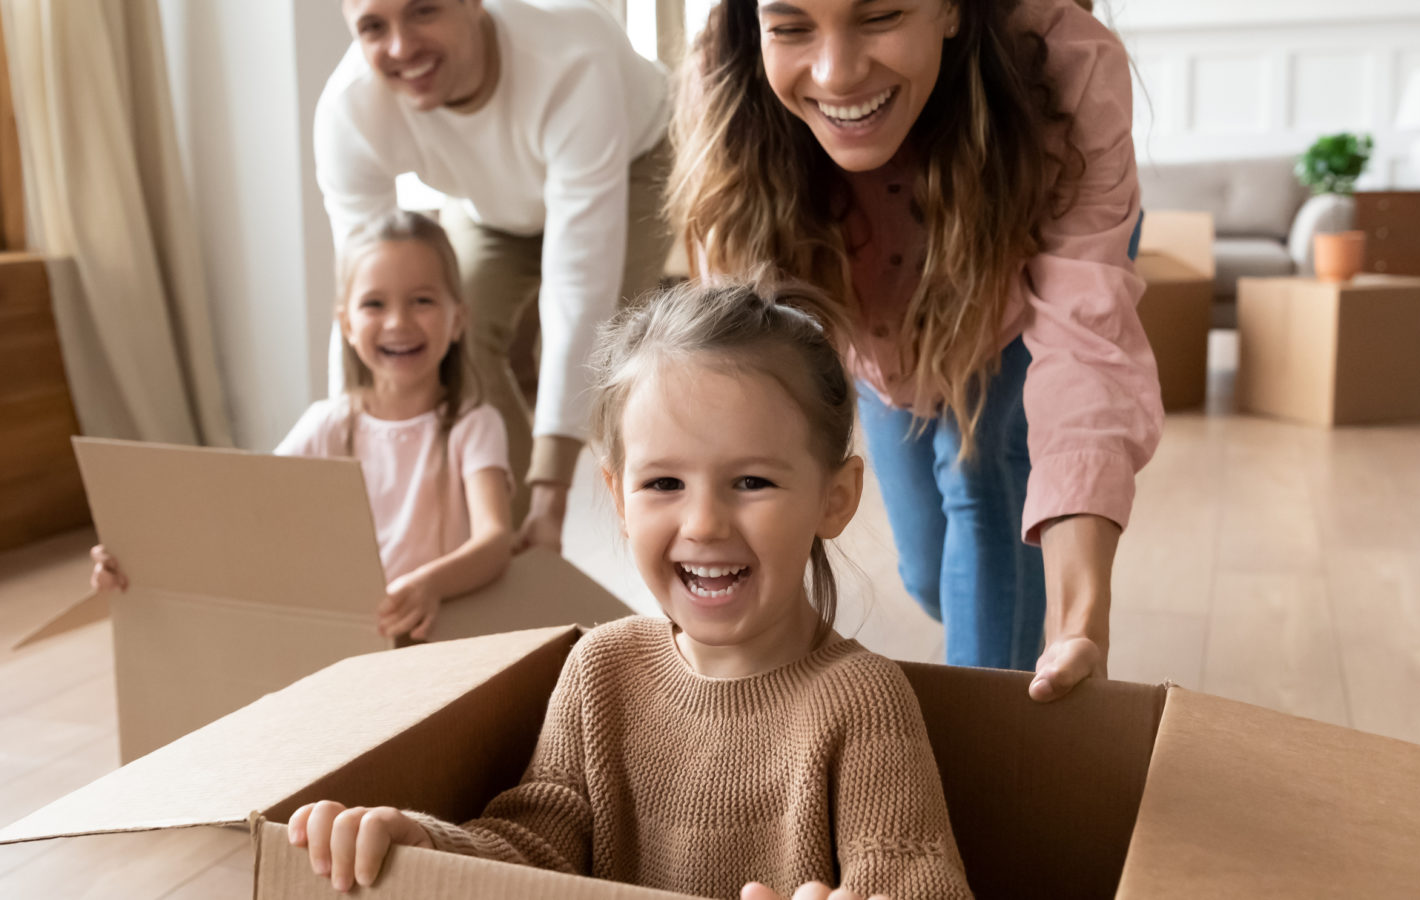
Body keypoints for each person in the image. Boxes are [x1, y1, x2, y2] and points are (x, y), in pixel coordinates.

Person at [284, 280, 975, 900]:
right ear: (617, 496)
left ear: (836, 497)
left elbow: (916, 882)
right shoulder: (598, 672)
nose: (703, 524)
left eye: (752, 482)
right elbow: (536, 852)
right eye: (664, 484)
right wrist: (429, 848)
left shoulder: (863, 703)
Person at [666, 0, 1160, 701]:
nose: (836, 75)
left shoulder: (1066, 66)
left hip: (1018, 298)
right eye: (792, 27)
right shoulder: (729, 78)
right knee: (930, 573)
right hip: (882, 336)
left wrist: (1078, 621)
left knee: (986, 491)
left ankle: (980, 754)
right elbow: (745, 364)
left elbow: (1086, 348)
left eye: (881, 15)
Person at [317, 0, 674, 556]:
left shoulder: (572, 55)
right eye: (372, 27)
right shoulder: (348, 110)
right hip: (489, 198)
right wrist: (346, 458)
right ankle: (497, 539)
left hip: (632, 159)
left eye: (423, 11)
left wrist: (550, 495)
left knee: (610, 353)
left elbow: (579, 287)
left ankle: (587, 524)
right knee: (452, 332)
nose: (400, 47)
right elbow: (365, 299)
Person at [92, 212, 513, 640]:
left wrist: (430, 585)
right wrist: (139, 557)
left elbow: (495, 539)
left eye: (422, 300)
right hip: (341, 637)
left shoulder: (474, 426)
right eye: (374, 304)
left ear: (458, 318)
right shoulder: (327, 425)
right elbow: (242, 509)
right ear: (347, 324)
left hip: (437, 639)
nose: (397, 322)